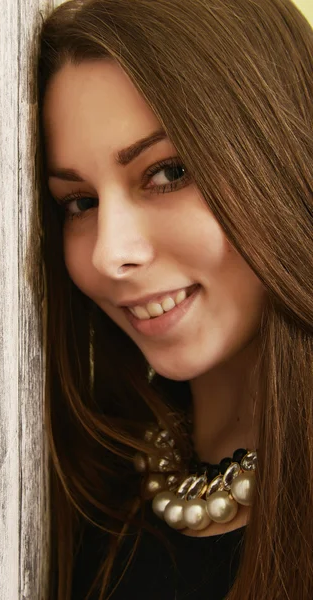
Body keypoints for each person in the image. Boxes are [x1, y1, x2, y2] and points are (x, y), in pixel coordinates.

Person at [36, 0, 313, 598]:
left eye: (168, 173)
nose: (112, 253)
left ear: (284, 158)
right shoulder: (87, 502)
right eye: (80, 203)